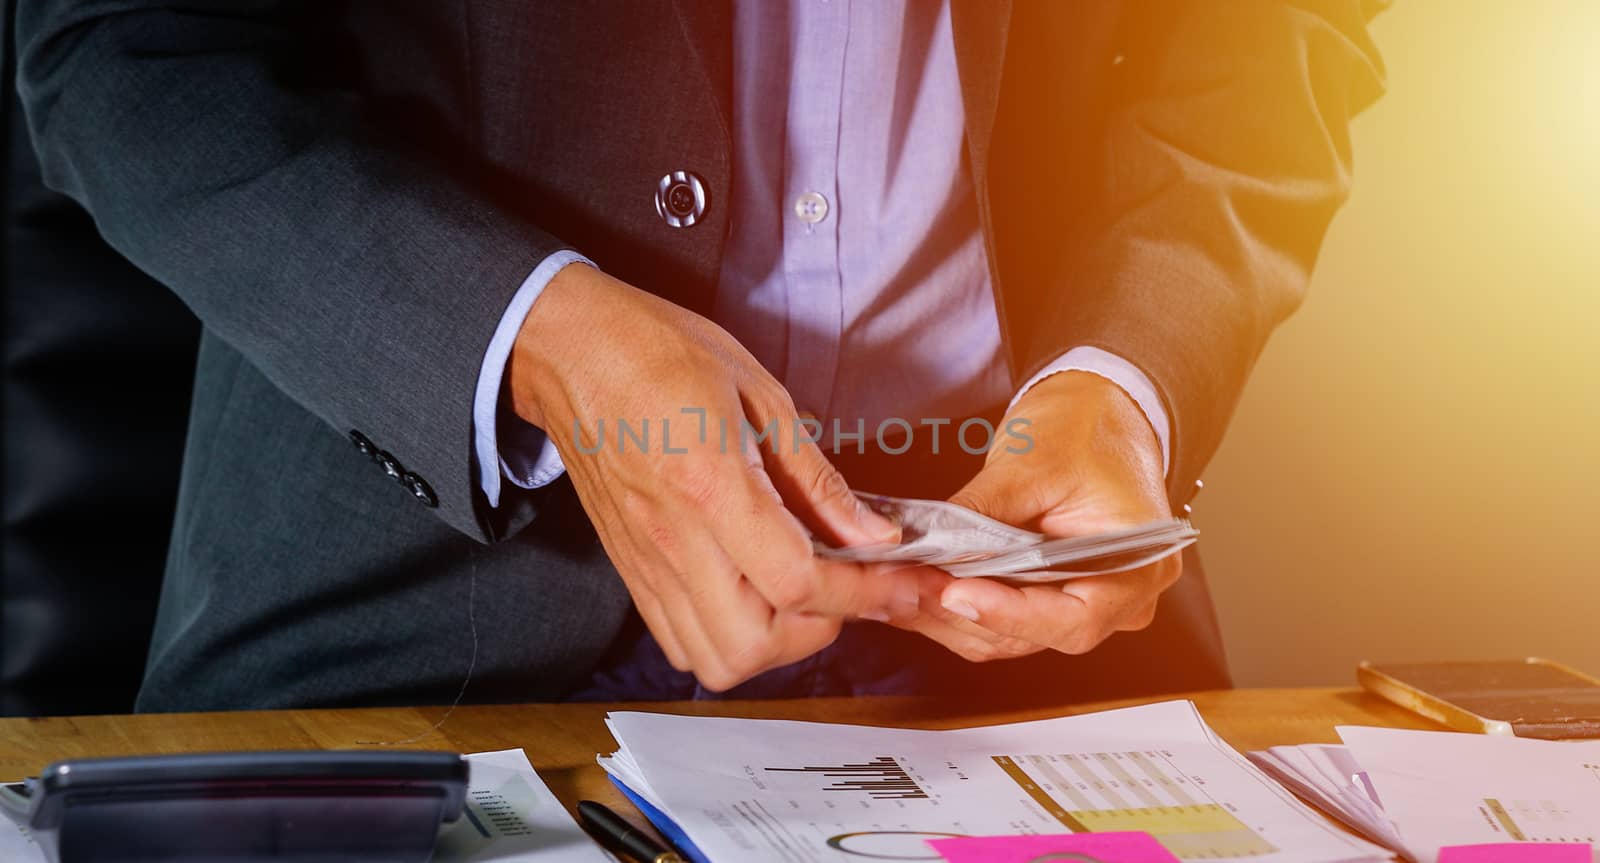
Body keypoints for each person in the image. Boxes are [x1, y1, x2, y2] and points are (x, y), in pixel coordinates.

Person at [14, 1, 1385, 712]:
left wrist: (1127, 379)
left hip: (1022, 650)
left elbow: (1269, 41)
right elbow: (124, 50)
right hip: (423, 648)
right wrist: (544, 343)